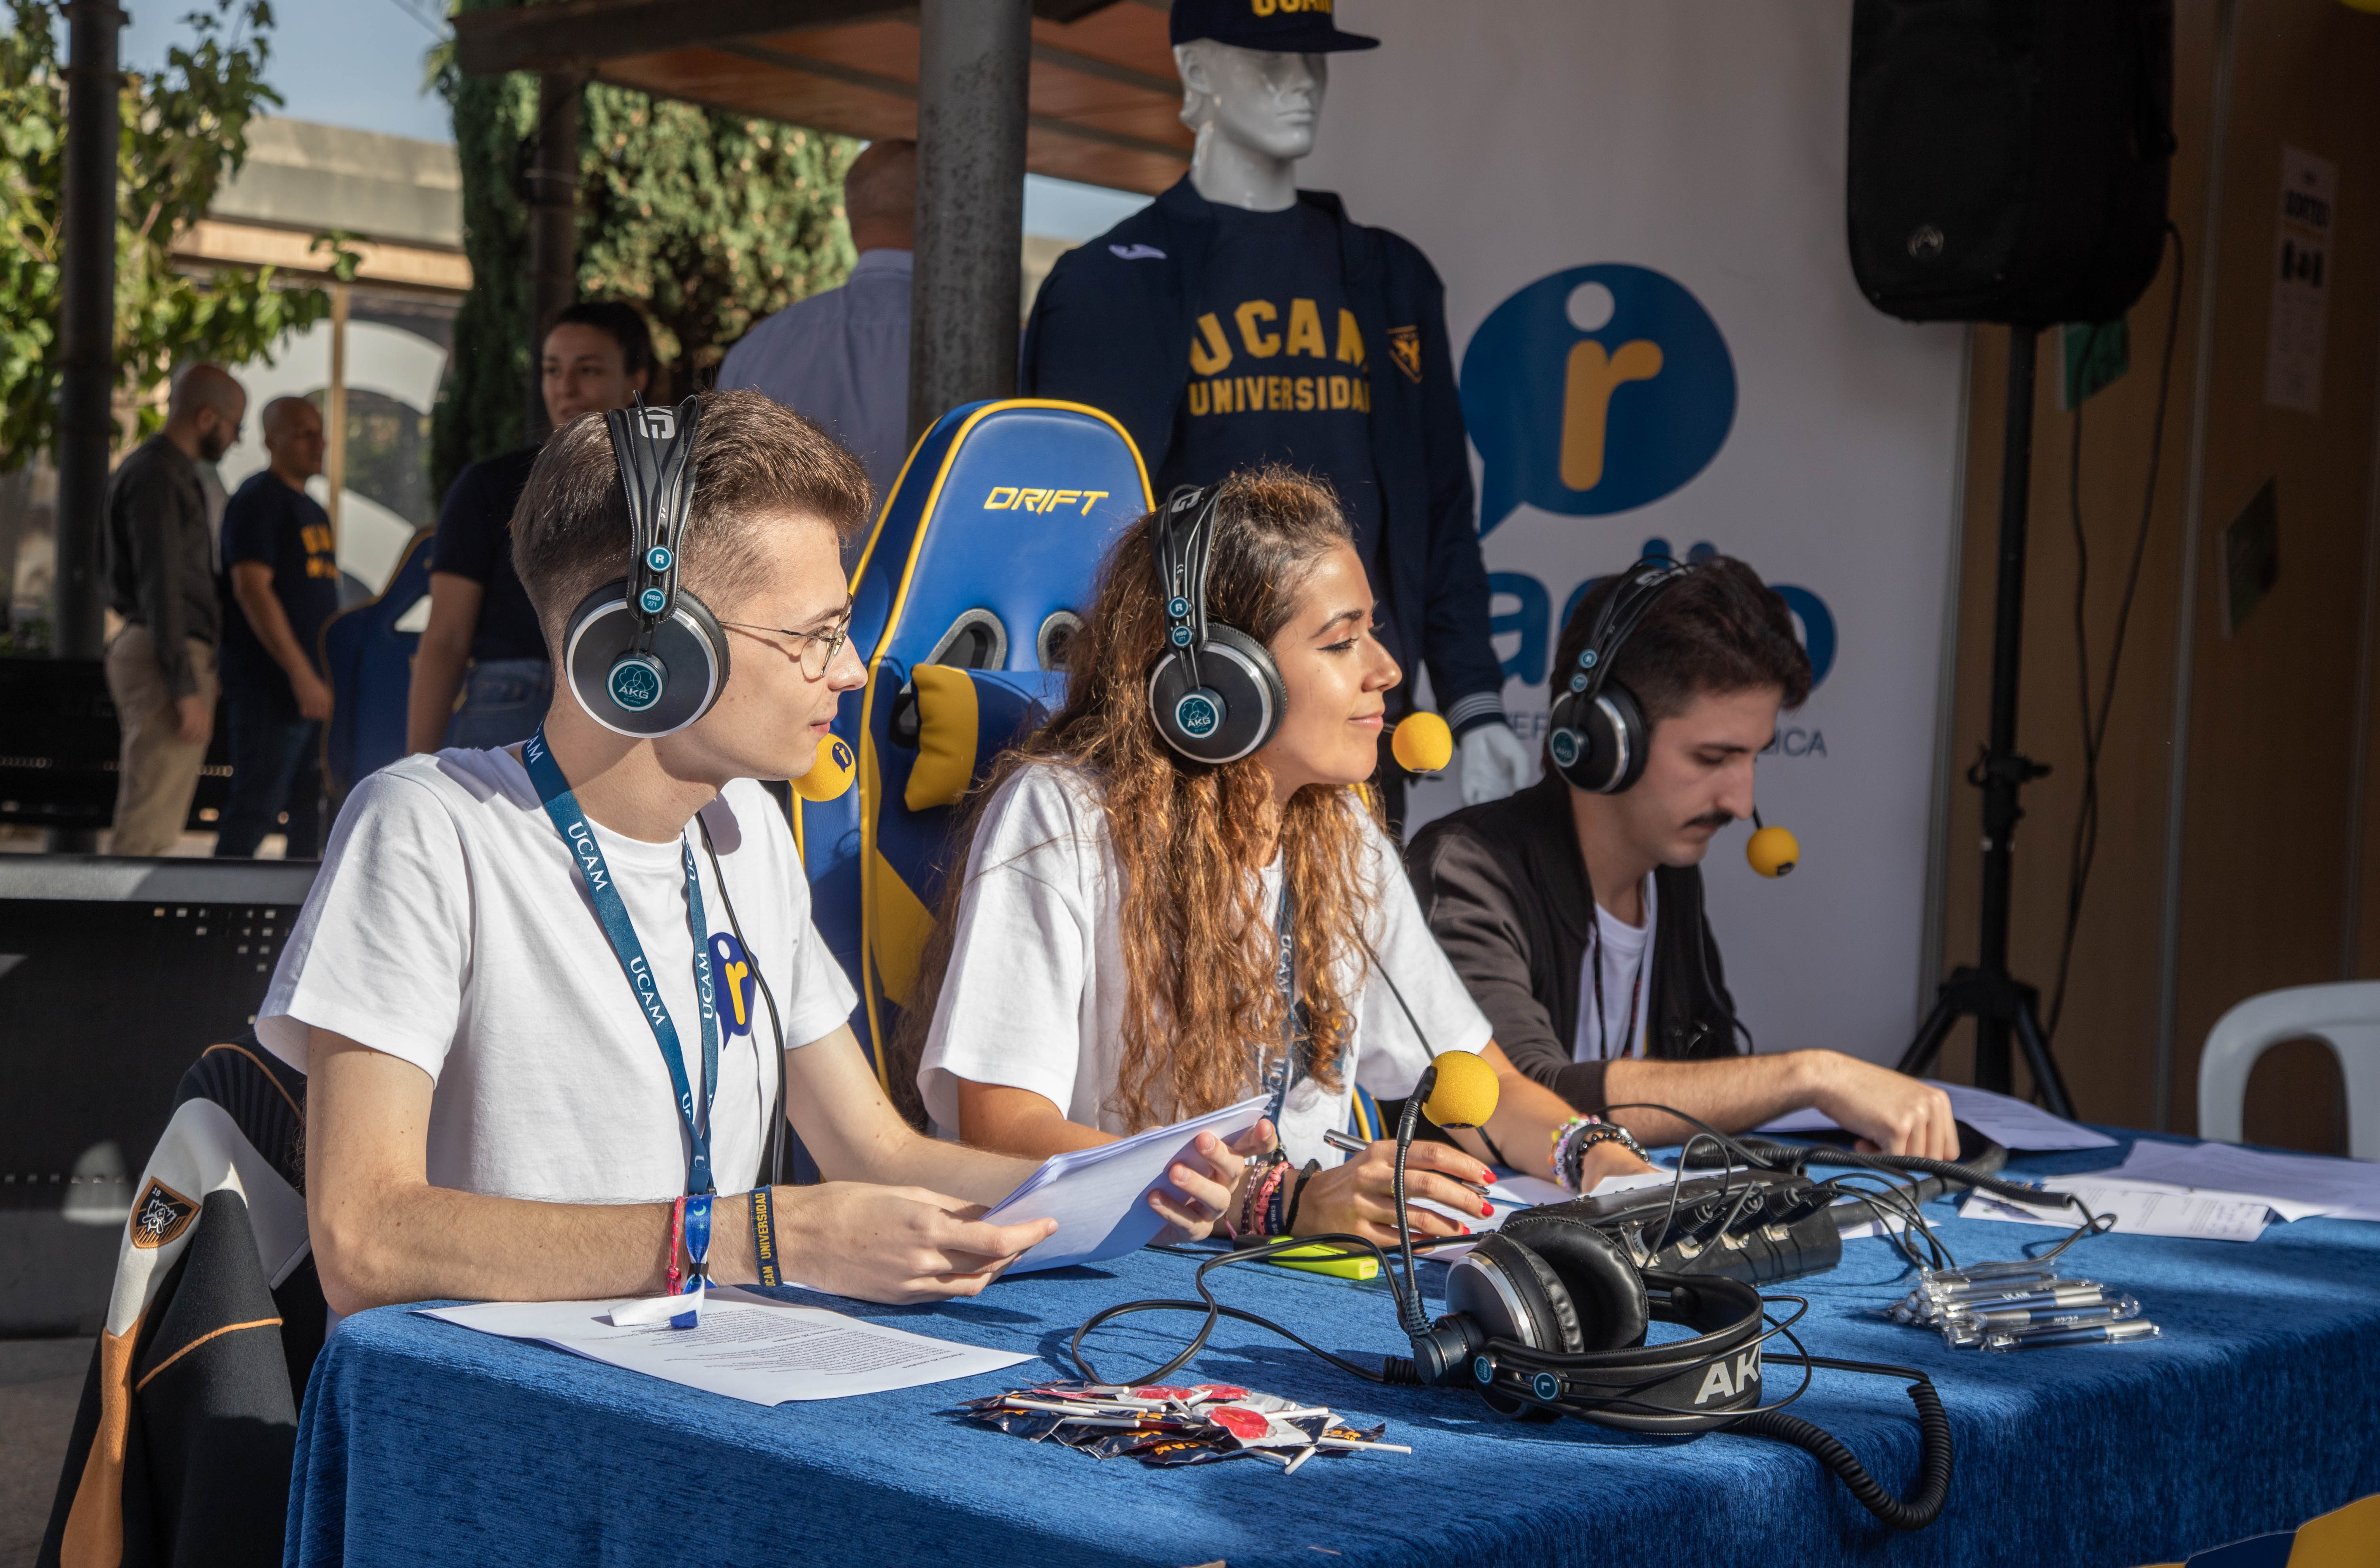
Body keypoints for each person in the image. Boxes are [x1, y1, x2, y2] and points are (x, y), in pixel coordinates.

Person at [263, 389, 1053, 1313]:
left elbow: (875, 1151)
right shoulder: (428, 829)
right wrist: (760, 1237)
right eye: (815, 636)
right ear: (654, 649)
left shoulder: (750, 832)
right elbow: (364, 1238)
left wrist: (1134, 1189)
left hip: (707, 1383)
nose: (847, 670)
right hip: (497, 1414)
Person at [905, 468, 1653, 1251]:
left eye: (1372, 630)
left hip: (1274, 1272)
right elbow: (1002, 1126)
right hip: (1095, 1289)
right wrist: (1270, 1198)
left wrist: (1605, 1164)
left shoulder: (1342, 832)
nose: (1386, 669)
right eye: (1340, 641)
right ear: (1221, 684)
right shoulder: (1060, 817)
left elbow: (1483, 1078)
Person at [1021, 0, 1538, 820]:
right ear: (1197, 75)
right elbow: (1073, 532)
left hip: (1360, 724)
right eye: (1267, 62)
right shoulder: (1113, 283)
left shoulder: (1389, 280)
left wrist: (1475, 698)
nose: (1299, 81)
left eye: (1311, 59)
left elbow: (1440, 511)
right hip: (1191, 729)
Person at [1406, 557, 1959, 1158]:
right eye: (1711, 758)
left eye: (1753, 757)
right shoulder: (1466, 870)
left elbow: (1717, 1082)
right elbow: (1521, 1099)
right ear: (1603, 739)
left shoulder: (1670, 876)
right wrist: (1811, 1075)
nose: (1741, 800)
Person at [407, 302, 658, 755]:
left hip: (630, 691)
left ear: (636, 379)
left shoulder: (668, 488)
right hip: (512, 692)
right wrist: (415, 765)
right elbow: (445, 635)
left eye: (589, 370)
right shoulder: (489, 484)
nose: (566, 388)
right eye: (551, 369)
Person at [718, 138, 915, 561]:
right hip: (960, 623)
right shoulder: (1009, 345)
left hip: (795, 622)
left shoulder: (756, 350)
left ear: (852, 217)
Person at [103, 364, 245, 856]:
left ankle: (127, 929)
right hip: (166, 653)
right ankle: (121, 932)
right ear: (207, 417)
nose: (234, 439)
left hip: (170, 650)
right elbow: (160, 585)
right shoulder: (157, 473)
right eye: (235, 427)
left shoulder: (164, 472)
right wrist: (184, 685)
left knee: (155, 819)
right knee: (148, 827)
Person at [214, 397, 338, 859]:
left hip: (315, 692)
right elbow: (252, 589)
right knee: (256, 809)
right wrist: (300, 672)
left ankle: (296, 923)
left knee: (312, 814)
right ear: (272, 440)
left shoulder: (314, 510)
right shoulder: (257, 500)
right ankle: (215, 919)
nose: (318, 442)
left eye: (320, 431)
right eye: (304, 432)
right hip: (271, 690)